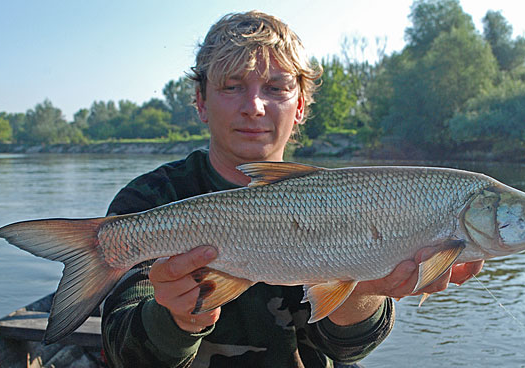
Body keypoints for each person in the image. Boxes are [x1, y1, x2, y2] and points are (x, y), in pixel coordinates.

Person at [101, 10, 484, 368]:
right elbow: (123, 355)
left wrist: (366, 287)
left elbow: (348, 348)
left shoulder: (353, 200)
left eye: (275, 88)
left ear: (300, 104)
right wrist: (176, 318)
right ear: (201, 101)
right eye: (232, 86)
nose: (253, 106)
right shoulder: (147, 202)